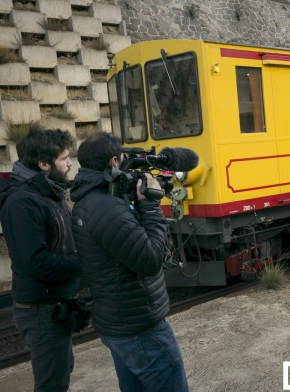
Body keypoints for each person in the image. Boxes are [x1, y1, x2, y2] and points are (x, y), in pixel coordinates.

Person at [70, 132, 189, 392]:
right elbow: (150, 260)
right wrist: (150, 205)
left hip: (120, 322)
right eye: (123, 159)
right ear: (113, 161)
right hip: (140, 328)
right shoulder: (107, 208)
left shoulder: (88, 201)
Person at [0, 125, 82, 392]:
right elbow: (36, 262)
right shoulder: (22, 202)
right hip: (41, 310)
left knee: (61, 374)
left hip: (53, 303)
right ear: (43, 164)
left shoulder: (47, 192)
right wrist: (86, 262)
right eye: (64, 158)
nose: (69, 163)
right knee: (52, 385)